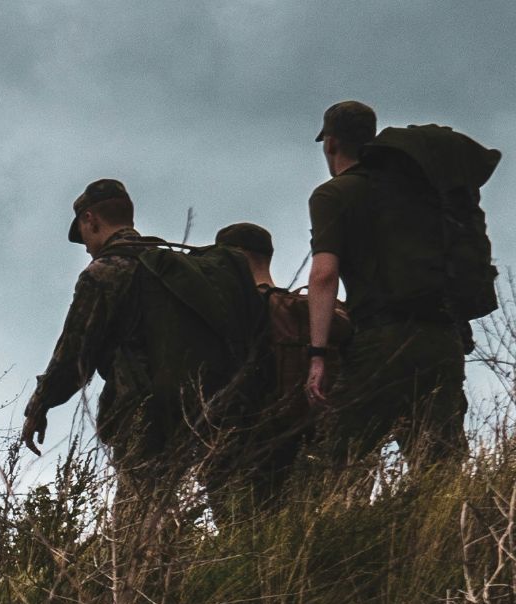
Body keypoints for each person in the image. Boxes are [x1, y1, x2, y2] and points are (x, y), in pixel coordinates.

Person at [21, 179, 254, 509]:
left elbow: (74, 355)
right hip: (206, 401)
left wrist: (40, 404)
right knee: (229, 506)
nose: (86, 246)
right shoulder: (168, 262)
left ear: (91, 219)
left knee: (139, 516)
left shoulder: (103, 273)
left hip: (145, 413)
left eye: (84, 235)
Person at [306, 100, 499, 470]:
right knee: (440, 469)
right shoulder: (415, 191)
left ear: (330, 143)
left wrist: (317, 355)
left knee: (329, 466)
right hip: (443, 339)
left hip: (383, 340)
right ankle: (455, 529)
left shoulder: (334, 194)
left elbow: (324, 274)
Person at [211, 222, 353, 504]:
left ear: (234, 257)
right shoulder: (315, 312)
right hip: (317, 441)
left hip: (247, 449)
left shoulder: (232, 315)